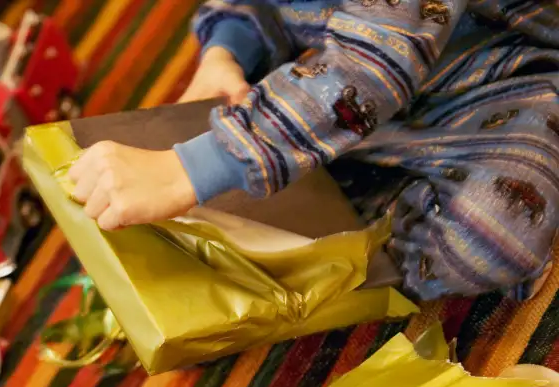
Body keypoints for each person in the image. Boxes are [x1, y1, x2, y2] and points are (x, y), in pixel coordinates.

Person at [66, 0, 559, 301]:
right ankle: (328, 231)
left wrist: (186, 171)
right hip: (358, 106)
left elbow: (376, 63)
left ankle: (349, 262)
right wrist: (227, 51)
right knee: (253, 186)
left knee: (496, 224)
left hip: (504, 83)